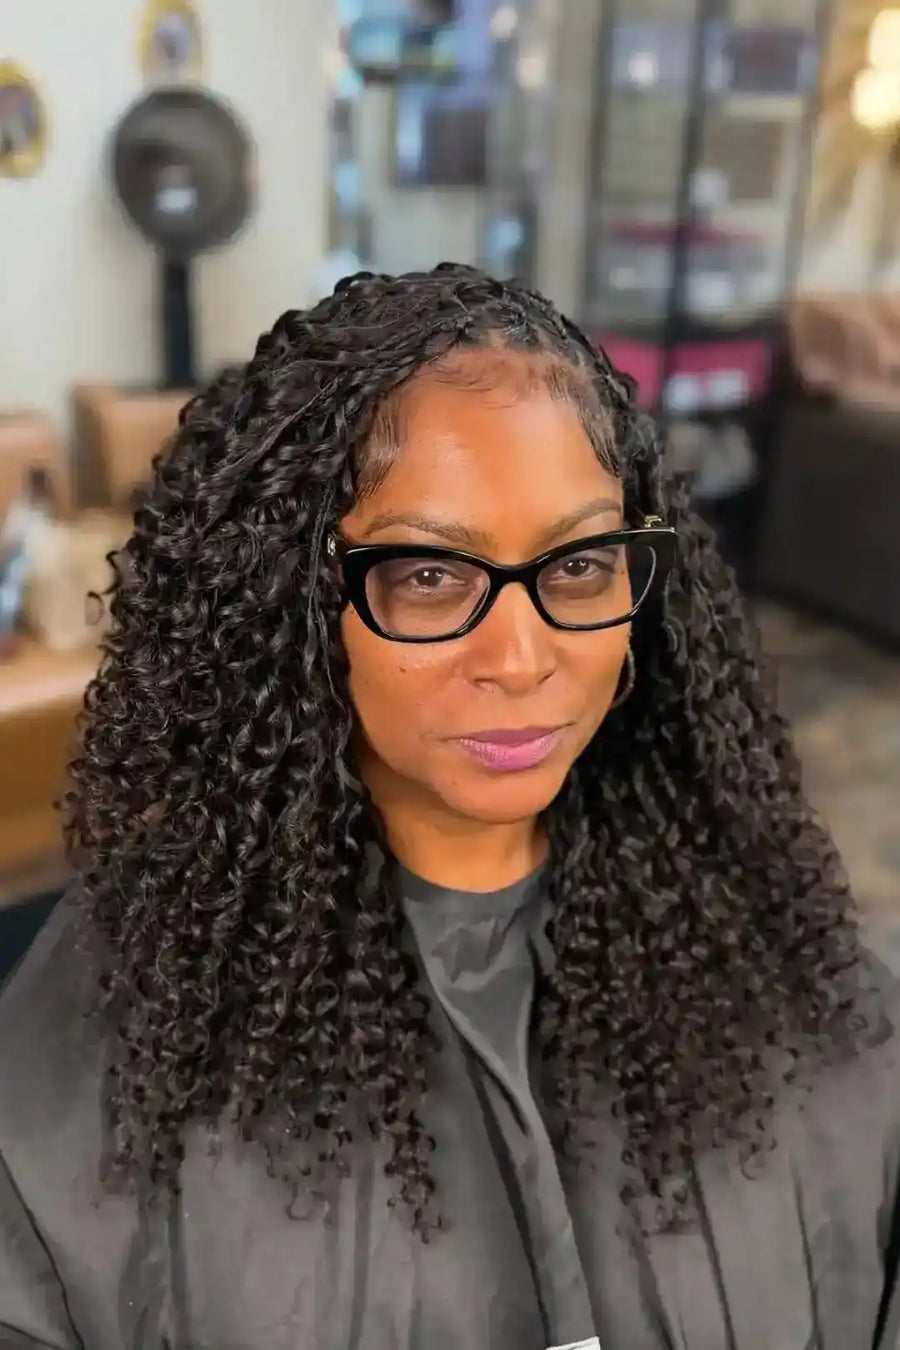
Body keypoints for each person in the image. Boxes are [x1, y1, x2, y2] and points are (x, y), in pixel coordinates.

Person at [0, 264, 898, 1350]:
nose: (522, 659)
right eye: (428, 575)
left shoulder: (783, 954)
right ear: (293, 606)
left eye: (579, 564)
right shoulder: (122, 1018)